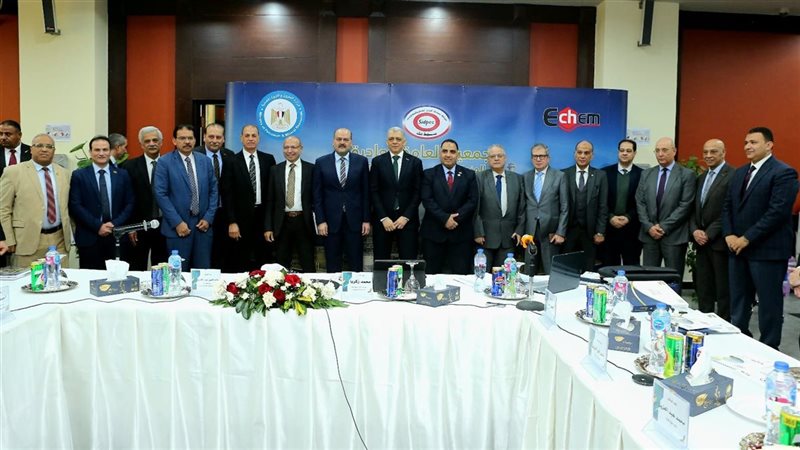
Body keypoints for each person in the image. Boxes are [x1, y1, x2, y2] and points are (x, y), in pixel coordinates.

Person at [723, 127, 798, 349]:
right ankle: (740, 344)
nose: (748, 146)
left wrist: (746, 238)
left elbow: (777, 212)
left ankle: (768, 349)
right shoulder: (739, 173)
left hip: (767, 252)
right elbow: (727, 206)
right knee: (739, 303)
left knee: (769, 306)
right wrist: (729, 234)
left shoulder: (784, 172)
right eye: (746, 142)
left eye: (754, 142)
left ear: (769, 145)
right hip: (737, 250)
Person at [0, 133, 72, 267]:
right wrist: (8, 239)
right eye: (39, 146)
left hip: (59, 240)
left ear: (54, 151)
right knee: (28, 279)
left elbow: (69, 207)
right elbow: (3, 209)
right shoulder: (13, 172)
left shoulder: (64, 173)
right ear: (31, 149)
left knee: (59, 277)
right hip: (27, 240)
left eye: (49, 146)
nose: (44, 149)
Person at [154, 124, 218, 270]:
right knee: (178, 274)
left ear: (195, 140)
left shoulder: (205, 161)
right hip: (177, 228)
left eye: (190, 138)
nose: (187, 141)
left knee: (202, 273)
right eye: (182, 138)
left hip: (203, 227)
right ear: (174, 141)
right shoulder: (164, 162)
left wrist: (208, 218)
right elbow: (161, 194)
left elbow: (214, 191)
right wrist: (177, 223)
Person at [68, 135, 134, 269]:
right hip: (90, 237)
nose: (101, 153)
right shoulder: (79, 175)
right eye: (97, 150)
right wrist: (98, 226)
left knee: (117, 276)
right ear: (90, 152)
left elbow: (130, 203)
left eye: (105, 149)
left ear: (110, 151)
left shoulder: (122, 174)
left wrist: (114, 224)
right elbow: (75, 205)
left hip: (117, 236)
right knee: (90, 277)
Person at [635, 137, 695, 277]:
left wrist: (663, 227)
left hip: (674, 236)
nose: (660, 154)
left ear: (674, 151)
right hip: (649, 236)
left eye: (664, 150)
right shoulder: (646, 174)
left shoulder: (686, 175)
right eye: (657, 150)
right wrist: (649, 227)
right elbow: (640, 202)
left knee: (673, 279)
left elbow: (685, 205)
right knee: (648, 279)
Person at [312, 128, 370, 272]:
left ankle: (357, 287)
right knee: (332, 263)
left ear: (351, 142)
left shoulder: (362, 161)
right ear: (333, 141)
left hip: (355, 222)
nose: (342, 142)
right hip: (330, 223)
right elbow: (317, 195)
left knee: (356, 263)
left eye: (345, 139)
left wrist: (366, 220)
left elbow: (366, 193)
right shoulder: (321, 162)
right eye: (339, 139)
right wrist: (320, 221)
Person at [688, 139, 733, 320]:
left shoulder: (733, 175)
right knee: (703, 288)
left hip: (720, 242)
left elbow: (729, 210)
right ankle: (703, 322)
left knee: (723, 290)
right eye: (705, 152)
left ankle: (724, 324)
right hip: (701, 243)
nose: (708, 155)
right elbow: (693, 209)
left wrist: (709, 233)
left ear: (723, 152)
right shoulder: (701, 177)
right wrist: (695, 230)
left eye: (713, 151)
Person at [221, 124, 275, 272]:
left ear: (258, 138)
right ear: (241, 138)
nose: (250, 139)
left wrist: (270, 223)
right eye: (247, 135)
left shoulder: (268, 159)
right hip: (240, 220)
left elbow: (272, 193)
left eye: (253, 135)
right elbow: (227, 194)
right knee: (240, 259)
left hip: (262, 217)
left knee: (263, 260)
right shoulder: (231, 161)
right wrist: (232, 222)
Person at [420, 139, 478, 274]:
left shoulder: (469, 174)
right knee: (431, 276)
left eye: (452, 151)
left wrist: (455, 219)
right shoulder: (429, 174)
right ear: (440, 153)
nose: (448, 155)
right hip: (434, 235)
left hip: (461, 235)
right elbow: (427, 200)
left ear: (458, 154)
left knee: (461, 277)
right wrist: (445, 218)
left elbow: (472, 201)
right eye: (445, 151)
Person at [369, 127, 423, 260]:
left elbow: (418, 192)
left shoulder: (415, 162)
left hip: (407, 222)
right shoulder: (377, 162)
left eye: (398, 139)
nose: (394, 142)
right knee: (381, 262)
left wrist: (406, 216)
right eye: (391, 139)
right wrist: (383, 217)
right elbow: (373, 191)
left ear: (404, 142)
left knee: (408, 262)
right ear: (387, 142)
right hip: (383, 222)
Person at [264, 136, 316, 272]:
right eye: (286, 147)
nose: (289, 150)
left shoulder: (311, 169)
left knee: (308, 263)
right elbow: (270, 201)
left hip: (304, 222)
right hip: (282, 223)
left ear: (301, 149)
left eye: (293, 147)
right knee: (281, 266)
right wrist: (268, 227)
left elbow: (317, 198)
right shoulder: (275, 170)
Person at [121, 126, 168, 270]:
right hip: (139, 226)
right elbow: (125, 199)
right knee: (136, 267)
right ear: (141, 145)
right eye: (147, 141)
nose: (151, 143)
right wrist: (131, 227)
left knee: (162, 268)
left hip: (165, 225)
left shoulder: (170, 164)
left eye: (155, 140)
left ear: (161, 142)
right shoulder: (128, 166)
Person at [473, 144, 525, 268]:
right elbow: (475, 208)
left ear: (505, 158)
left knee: (505, 276)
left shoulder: (517, 179)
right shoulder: (479, 178)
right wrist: (478, 232)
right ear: (488, 159)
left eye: (499, 156)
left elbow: (522, 208)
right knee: (482, 275)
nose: (496, 158)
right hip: (485, 239)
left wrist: (519, 230)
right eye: (492, 156)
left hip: (509, 239)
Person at [522, 143, 568, 274]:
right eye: (535, 156)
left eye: (541, 156)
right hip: (530, 231)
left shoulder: (559, 176)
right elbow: (522, 206)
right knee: (529, 271)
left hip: (551, 232)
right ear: (531, 158)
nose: (538, 159)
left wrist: (561, 232)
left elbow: (565, 206)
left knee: (550, 272)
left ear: (548, 158)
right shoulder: (525, 177)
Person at [563, 140, 609, 271]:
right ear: (575, 154)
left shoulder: (600, 176)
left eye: (586, 153)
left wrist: (600, 231)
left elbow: (603, 206)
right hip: (568, 231)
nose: (582, 156)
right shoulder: (564, 174)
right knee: (567, 269)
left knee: (588, 270)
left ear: (592, 156)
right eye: (580, 152)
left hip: (590, 233)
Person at [193, 123, 234, 270]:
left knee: (222, 253)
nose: (214, 140)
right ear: (204, 137)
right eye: (211, 136)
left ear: (223, 139)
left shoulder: (230, 155)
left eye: (218, 137)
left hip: (223, 212)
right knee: (202, 254)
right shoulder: (194, 155)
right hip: (201, 214)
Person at [600, 139, 643, 266]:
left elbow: (643, 202)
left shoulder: (642, 174)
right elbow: (600, 200)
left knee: (632, 268)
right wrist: (610, 217)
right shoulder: (604, 173)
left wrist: (629, 217)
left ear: (634, 153)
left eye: (628, 151)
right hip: (609, 229)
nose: (625, 153)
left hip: (632, 230)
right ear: (618, 152)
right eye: (622, 150)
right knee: (609, 268)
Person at [0, 119, 32, 267]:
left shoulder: (31, 152)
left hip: (25, 211)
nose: (3, 137)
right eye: (1, 134)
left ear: (19, 135)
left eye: (8, 134)